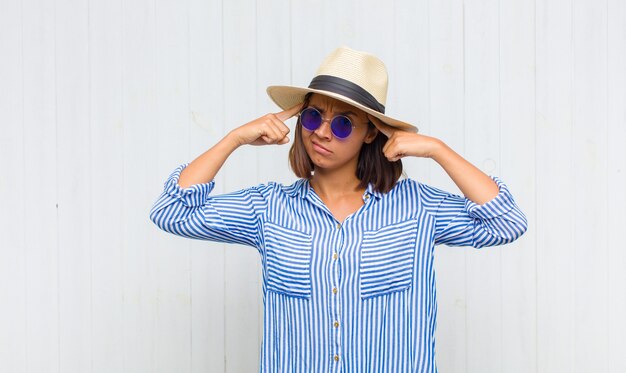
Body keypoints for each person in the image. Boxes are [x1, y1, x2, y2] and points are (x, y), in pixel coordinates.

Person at [149, 46, 528, 372]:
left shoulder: (417, 208)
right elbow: (171, 212)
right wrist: (234, 139)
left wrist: (438, 150)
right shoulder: (268, 208)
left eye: (343, 123)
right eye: (313, 117)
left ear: (371, 132)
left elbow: (506, 221)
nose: (323, 132)